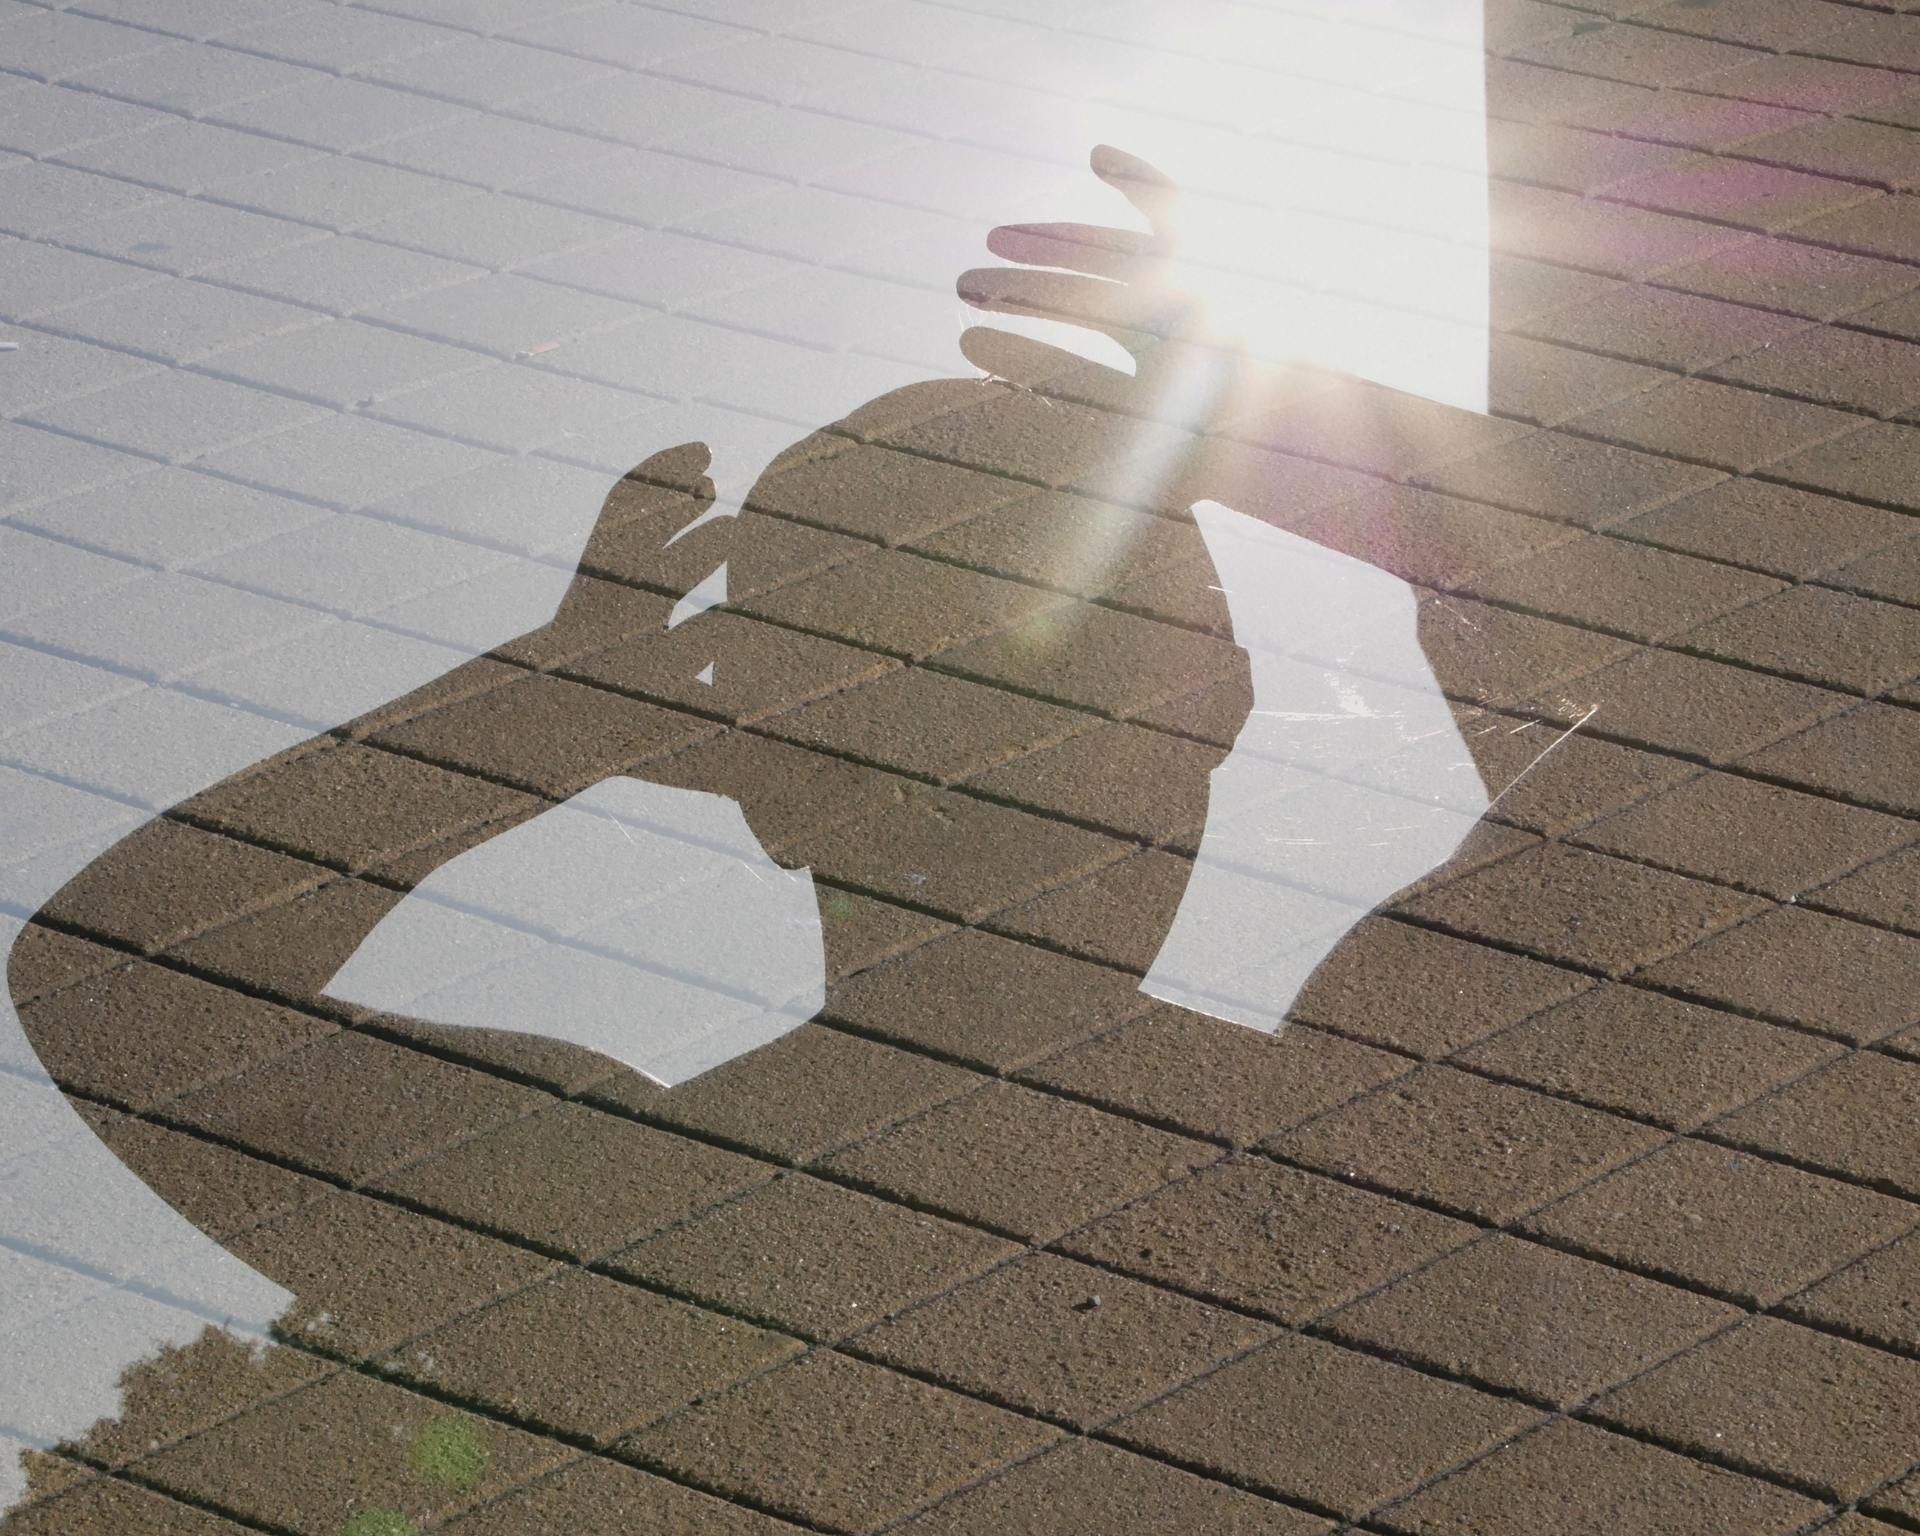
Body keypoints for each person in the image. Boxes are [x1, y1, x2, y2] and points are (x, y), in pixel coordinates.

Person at [8, 149, 1498, 1532]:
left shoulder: (636, 1225)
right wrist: (1318, 455)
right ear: (1219, 729)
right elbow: (1703, 715)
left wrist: (538, 718)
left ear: (756, 777)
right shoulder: (1407, 1161)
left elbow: (119, 989)